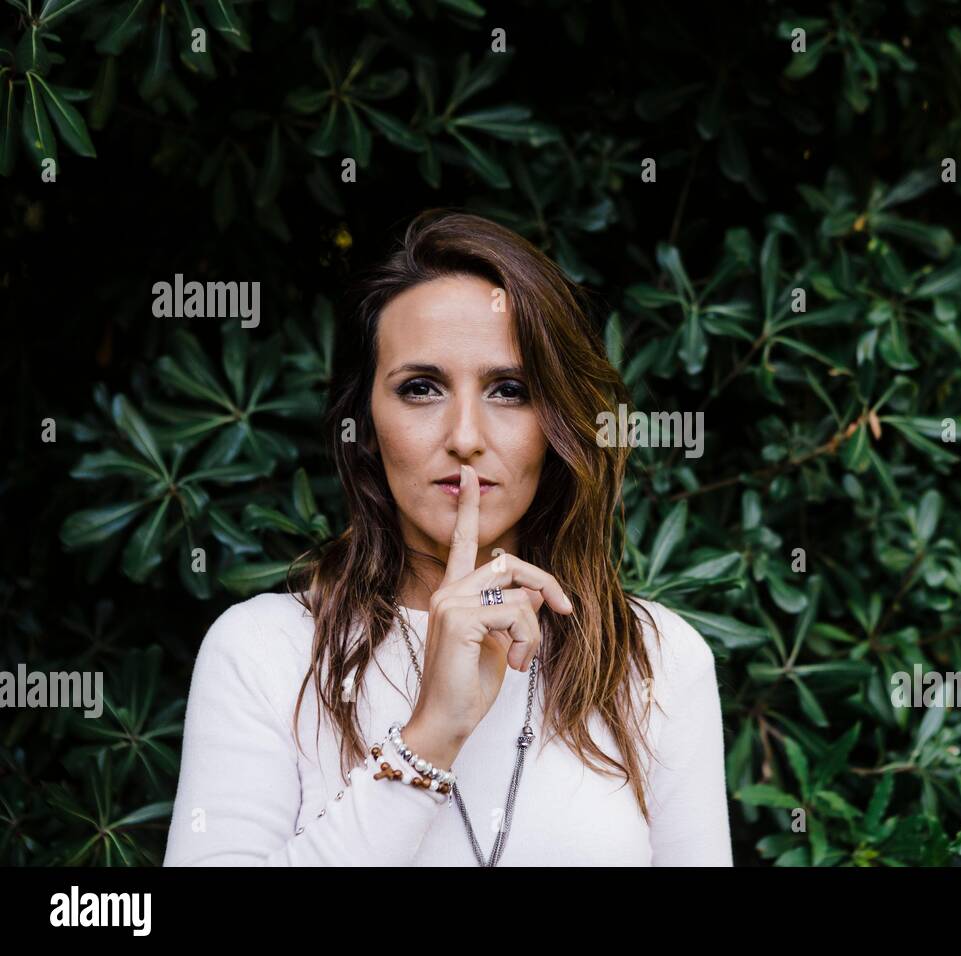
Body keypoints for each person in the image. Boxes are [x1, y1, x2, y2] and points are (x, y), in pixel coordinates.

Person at [161, 209, 732, 866]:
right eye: (422, 388)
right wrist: (429, 737)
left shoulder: (654, 662)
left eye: (510, 389)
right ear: (366, 422)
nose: (465, 435)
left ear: (557, 424)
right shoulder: (266, 652)